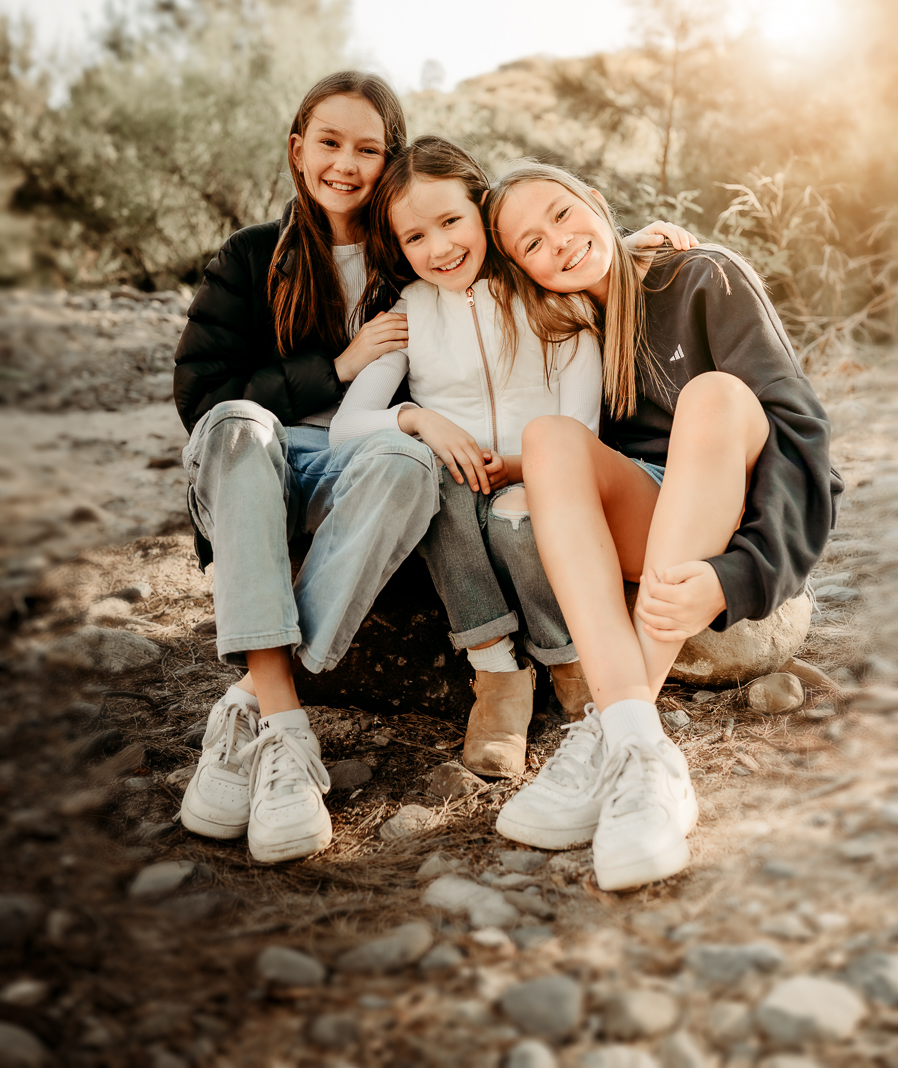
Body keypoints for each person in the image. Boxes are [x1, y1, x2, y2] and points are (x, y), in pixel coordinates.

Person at [485, 160, 842, 891]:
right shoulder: (572, 328)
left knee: (712, 394)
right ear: (525, 271)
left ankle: (626, 729)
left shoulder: (702, 276)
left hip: (729, 501)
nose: (555, 242)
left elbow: (803, 441)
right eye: (530, 244)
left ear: (594, 200)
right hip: (655, 516)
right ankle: (635, 742)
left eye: (560, 213)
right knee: (550, 438)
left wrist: (736, 575)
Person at [329, 136, 694, 777]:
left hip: (537, 478)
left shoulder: (548, 299)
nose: (438, 248)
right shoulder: (408, 313)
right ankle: (497, 675)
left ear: (484, 213)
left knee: (518, 515)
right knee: (435, 485)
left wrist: (520, 466)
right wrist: (418, 419)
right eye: (416, 238)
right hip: (458, 490)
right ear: (399, 247)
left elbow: (580, 429)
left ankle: (568, 660)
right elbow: (347, 428)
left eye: (451, 222)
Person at [172, 72, 441, 864]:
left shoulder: (417, 258)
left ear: (391, 160)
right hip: (253, 464)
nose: (345, 164)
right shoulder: (253, 256)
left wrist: (626, 239)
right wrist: (337, 366)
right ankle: (287, 724)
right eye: (329, 142)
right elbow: (202, 397)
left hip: (352, 473)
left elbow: (499, 235)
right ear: (299, 149)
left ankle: (251, 700)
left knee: (407, 463)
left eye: (368, 148)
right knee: (245, 425)